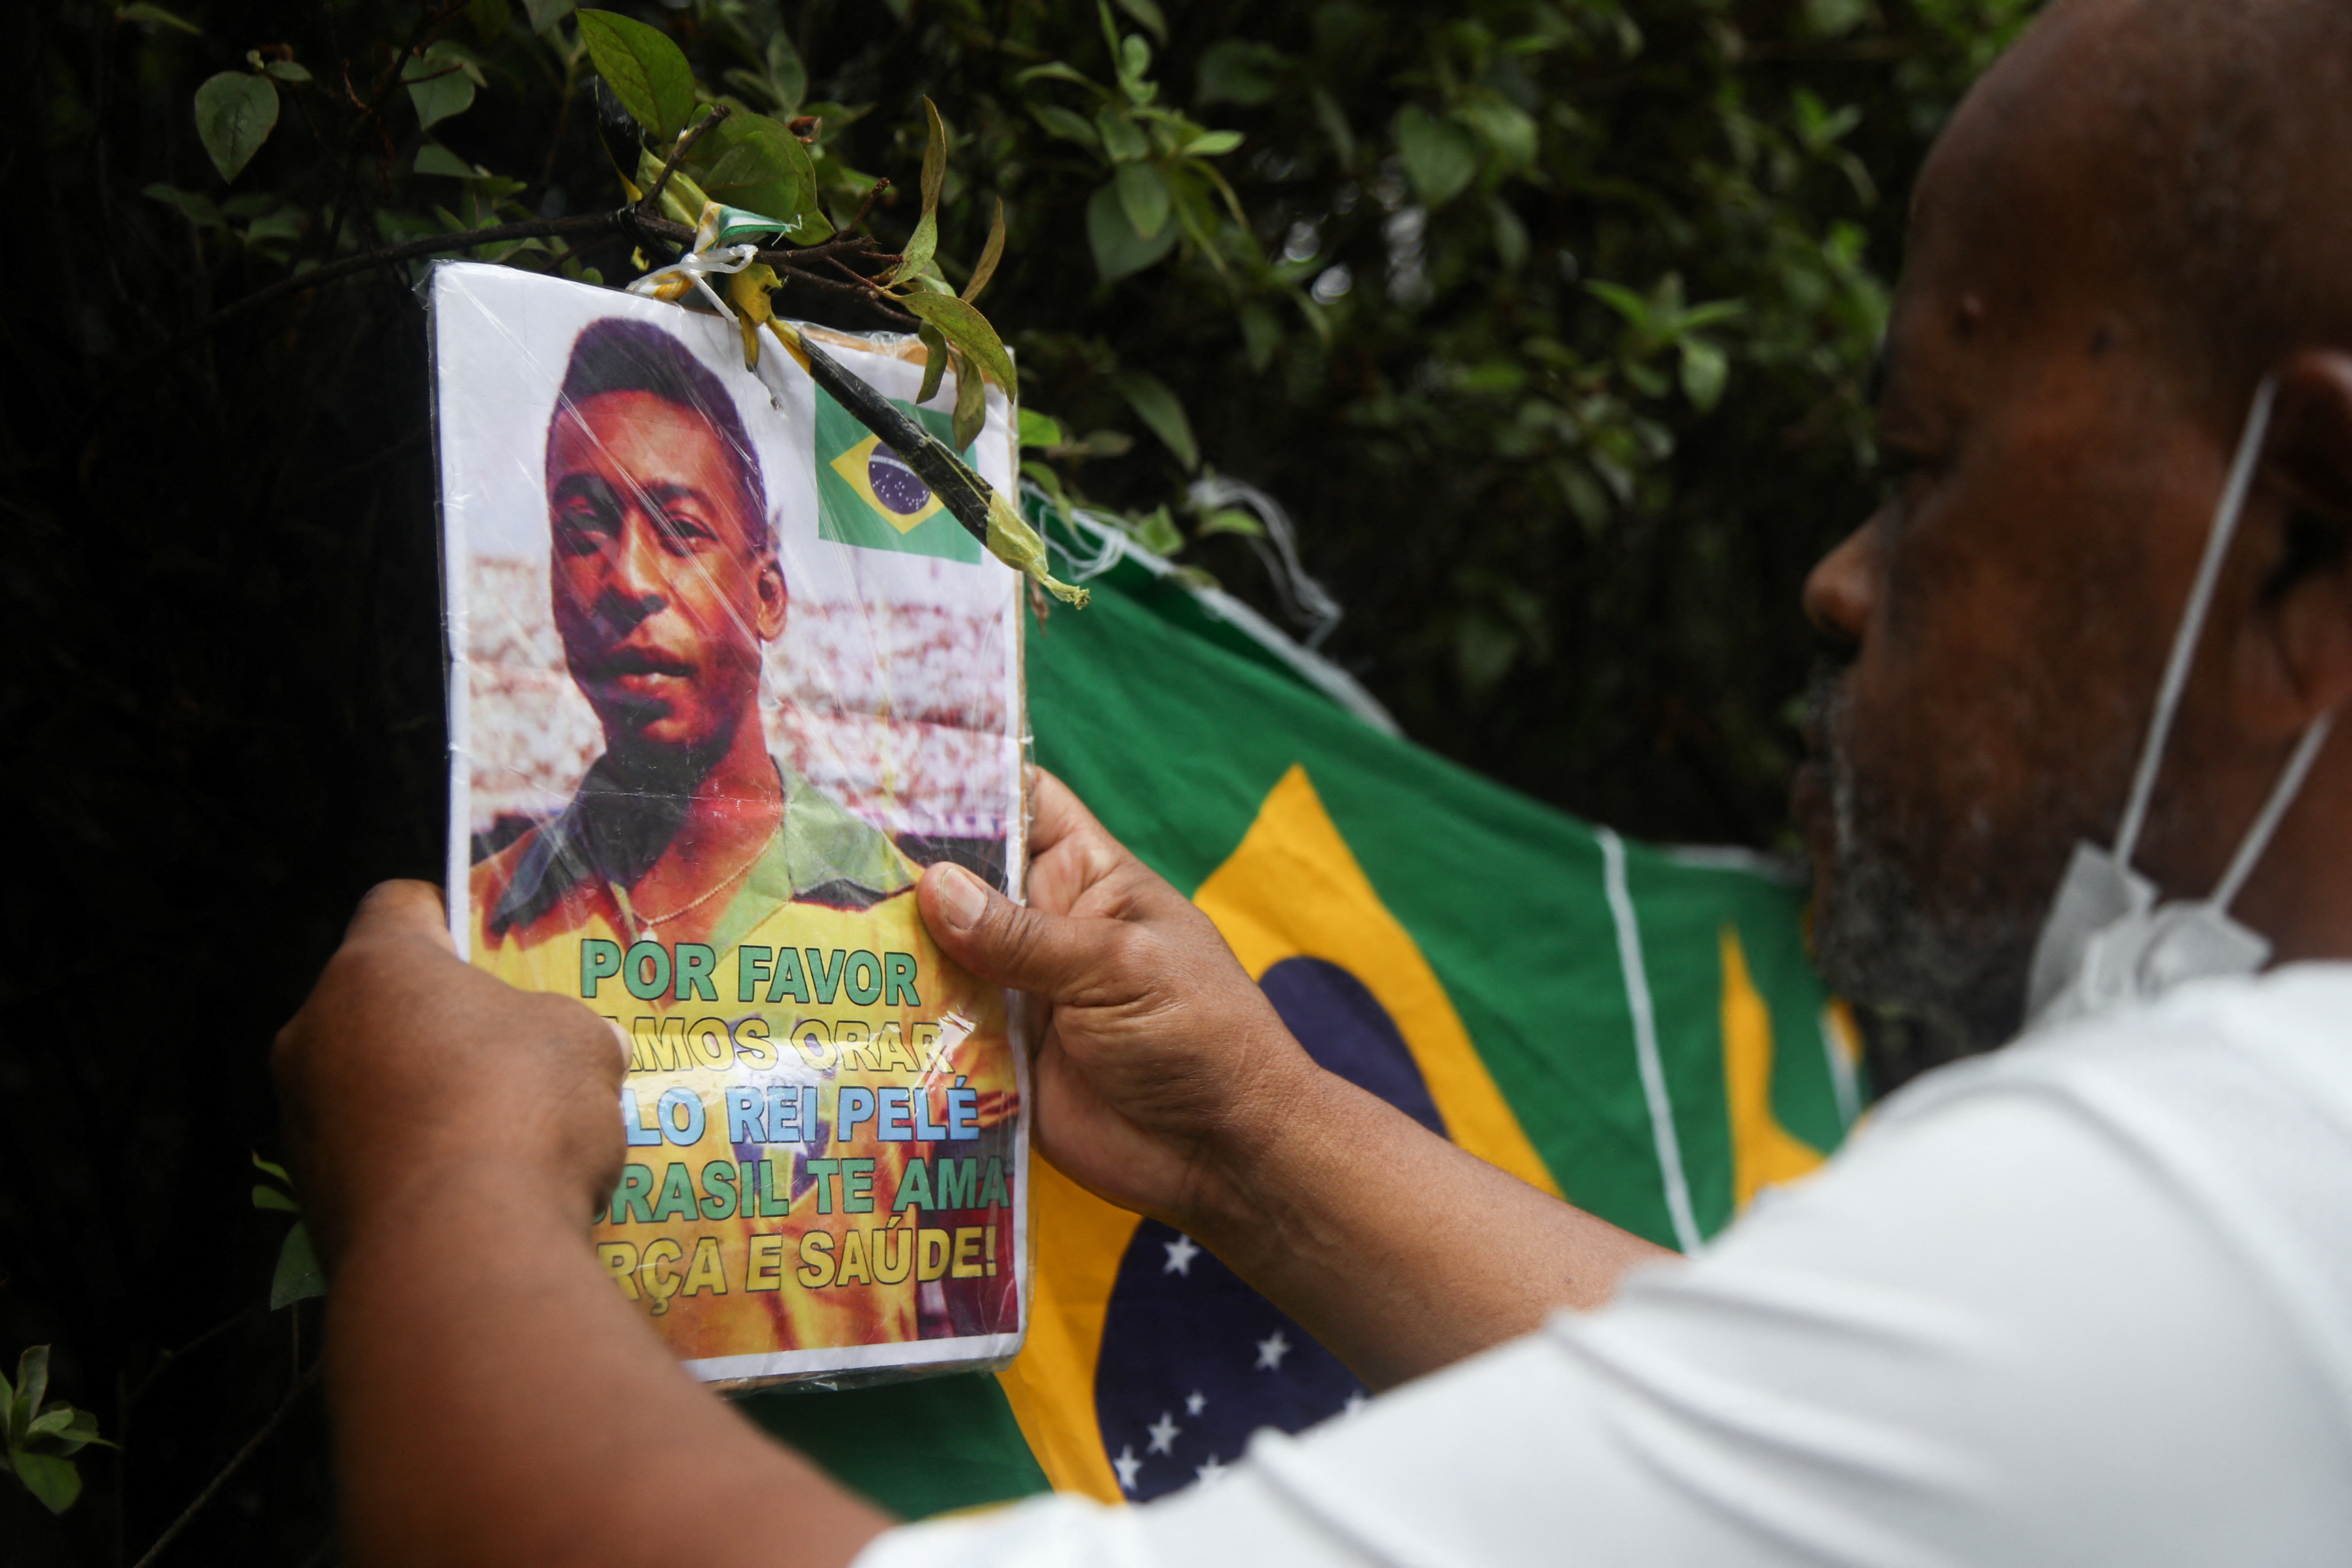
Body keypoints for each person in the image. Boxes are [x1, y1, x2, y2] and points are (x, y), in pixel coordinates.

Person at [274, 0, 2352, 1562]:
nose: (1836, 581)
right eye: (570, 526)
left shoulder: (2215, 1236)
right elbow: (1798, 1412)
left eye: (1916, 469)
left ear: (2308, 532)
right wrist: (1252, 1133)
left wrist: (449, 1177)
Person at [472, 315, 1018, 1359]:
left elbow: (986, 1317)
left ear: (767, 593)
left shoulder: (927, 929)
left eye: (678, 530)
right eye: (583, 527)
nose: (625, 578)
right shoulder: (483, 933)